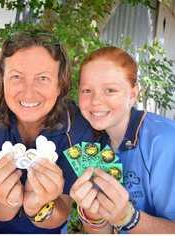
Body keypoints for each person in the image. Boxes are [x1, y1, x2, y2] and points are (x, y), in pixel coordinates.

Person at [0, 30, 94, 233]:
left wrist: (37, 206)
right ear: (2, 80)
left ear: (60, 84)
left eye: (43, 78)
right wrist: (7, 202)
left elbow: (62, 209)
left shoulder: (78, 129)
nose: (28, 91)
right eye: (16, 77)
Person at [70, 46, 175, 233]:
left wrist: (129, 218)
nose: (95, 101)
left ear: (133, 94)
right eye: (87, 90)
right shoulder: (89, 143)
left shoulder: (165, 141)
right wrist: (94, 216)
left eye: (110, 90)